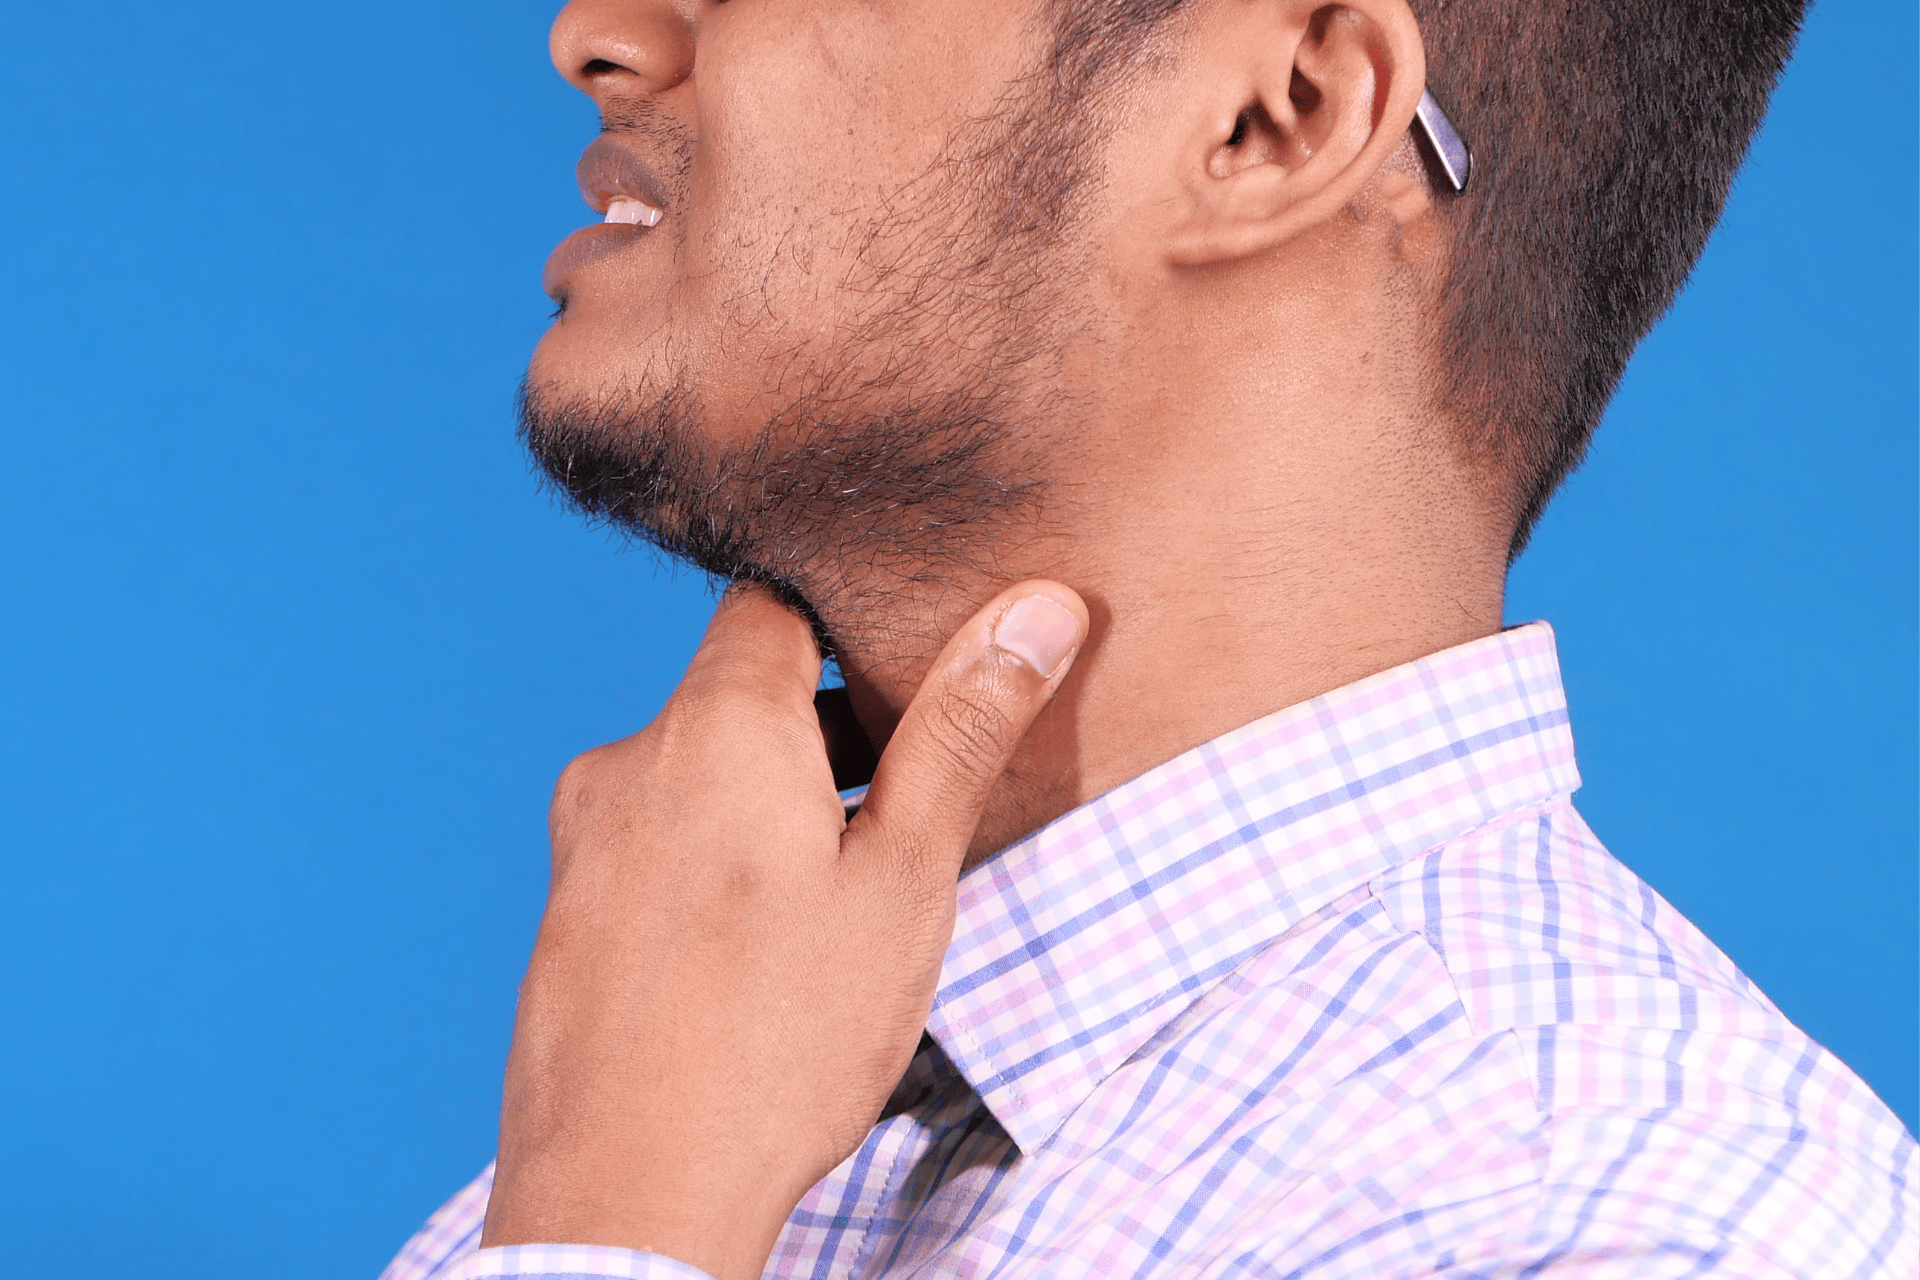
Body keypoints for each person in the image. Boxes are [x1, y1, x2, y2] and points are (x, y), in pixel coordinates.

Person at [382, 0, 1916, 1274]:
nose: (598, 34)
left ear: (1281, 116)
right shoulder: (692, 1103)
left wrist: (604, 1241)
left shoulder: (1619, 1213)